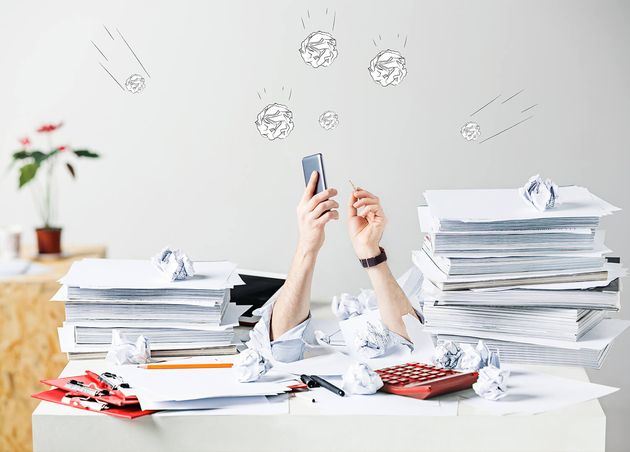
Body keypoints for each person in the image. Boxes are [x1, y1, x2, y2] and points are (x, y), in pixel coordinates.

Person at [247, 172, 419, 362]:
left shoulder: (438, 280)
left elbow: (414, 345)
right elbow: (282, 350)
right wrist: (307, 246)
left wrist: (369, 251)